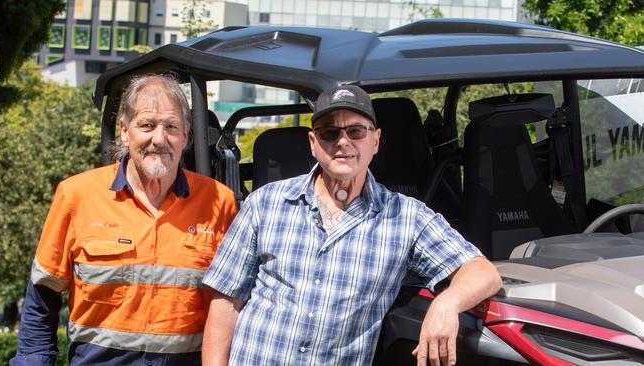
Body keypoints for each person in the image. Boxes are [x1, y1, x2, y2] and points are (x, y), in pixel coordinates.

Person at [201, 85, 502, 366]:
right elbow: (226, 301)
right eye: (330, 132)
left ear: (375, 141)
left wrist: (446, 304)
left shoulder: (406, 217)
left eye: (356, 131)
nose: (343, 142)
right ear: (313, 143)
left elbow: (483, 272)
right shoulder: (265, 203)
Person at [11, 74, 237, 365]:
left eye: (171, 127)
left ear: (186, 136)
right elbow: (42, 298)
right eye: (147, 125)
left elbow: (232, 304)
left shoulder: (219, 201)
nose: (159, 139)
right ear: (125, 131)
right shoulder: (76, 195)